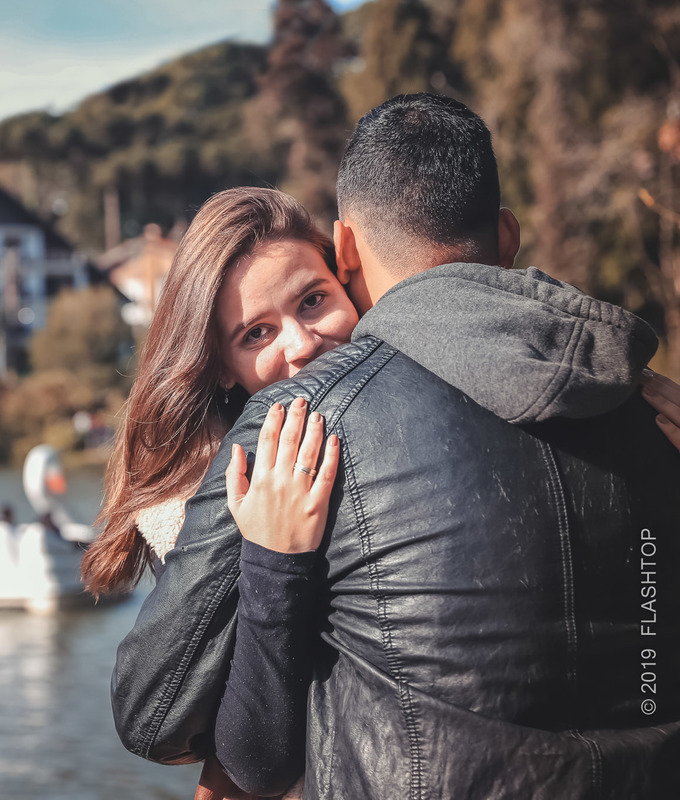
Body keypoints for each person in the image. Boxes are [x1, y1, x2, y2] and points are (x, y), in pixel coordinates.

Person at [105, 93, 680, 799]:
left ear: (343, 256)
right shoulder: (637, 399)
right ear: (506, 237)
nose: (301, 344)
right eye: (255, 333)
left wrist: (273, 567)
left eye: (313, 300)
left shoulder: (298, 424)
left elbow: (164, 723)